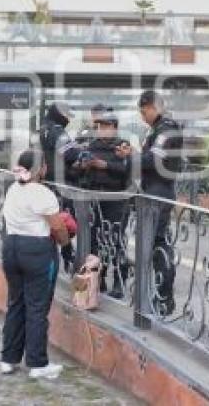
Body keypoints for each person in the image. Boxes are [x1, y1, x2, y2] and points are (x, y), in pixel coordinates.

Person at [0, 148, 72, 379]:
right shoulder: (43, 193)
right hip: (37, 252)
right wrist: (66, 242)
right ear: (40, 169)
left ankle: (8, 359)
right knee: (37, 307)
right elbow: (57, 226)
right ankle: (38, 364)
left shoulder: (12, 189)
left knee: (16, 303)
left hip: (11, 248)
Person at [123, 90, 183, 315]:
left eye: (143, 111)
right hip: (153, 192)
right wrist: (133, 154)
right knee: (153, 244)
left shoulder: (167, 130)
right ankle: (155, 295)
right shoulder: (159, 130)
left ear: (152, 107)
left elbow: (154, 160)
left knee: (159, 245)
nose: (142, 116)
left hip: (159, 193)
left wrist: (131, 157)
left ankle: (164, 299)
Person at [76, 110, 133, 299]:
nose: (102, 130)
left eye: (106, 126)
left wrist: (105, 165)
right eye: (100, 126)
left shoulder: (123, 147)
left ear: (115, 128)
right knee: (95, 240)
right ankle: (97, 280)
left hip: (116, 199)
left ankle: (119, 281)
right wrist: (83, 166)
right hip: (95, 197)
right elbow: (76, 170)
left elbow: (129, 170)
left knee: (116, 240)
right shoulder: (91, 146)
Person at [38, 101, 83, 186]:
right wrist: (80, 150)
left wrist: (73, 144)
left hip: (48, 177)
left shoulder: (44, 127)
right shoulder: (56, 129)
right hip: (61, 180)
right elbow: (70, 153)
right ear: (59, 113)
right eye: (67, 115)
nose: (68, 120)